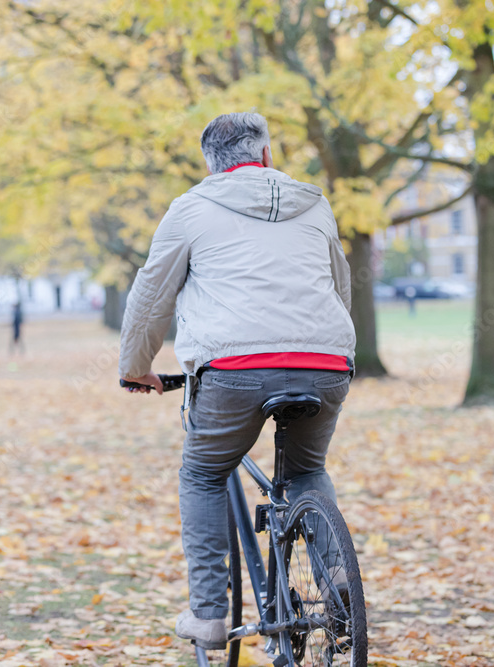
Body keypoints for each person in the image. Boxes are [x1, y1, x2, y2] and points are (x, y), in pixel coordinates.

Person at [118, 112, 356, 647]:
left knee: (202, 472)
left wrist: (136, 368)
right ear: (266, 156)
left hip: (233, 371)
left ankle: (208, 614)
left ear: (212, 166)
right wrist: (338, 352)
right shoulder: (316, 204)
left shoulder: (191, 207)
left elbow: (151, 297)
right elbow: (340, 287)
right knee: (306, 470)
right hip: (326, 363)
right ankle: (340, 585)